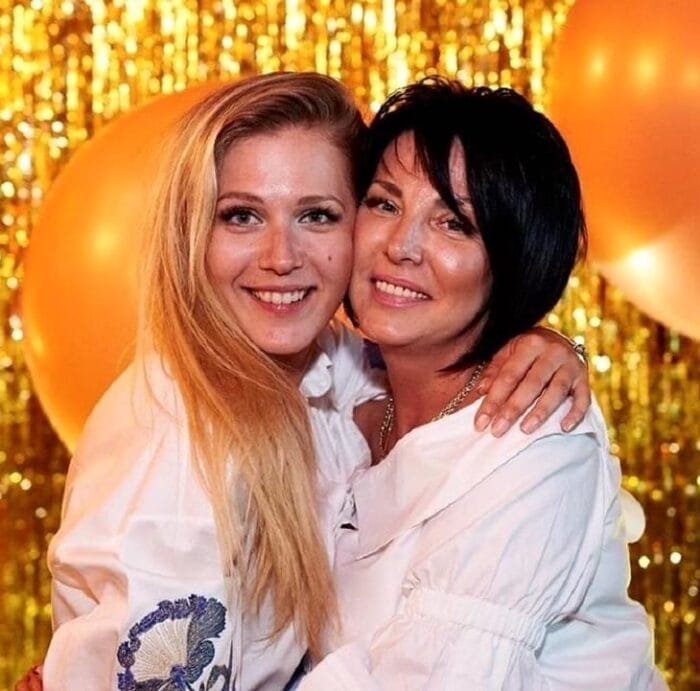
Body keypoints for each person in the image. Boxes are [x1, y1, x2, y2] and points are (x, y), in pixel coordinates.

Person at [31, 73, 590, 691]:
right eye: (241, 216)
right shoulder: (180, 449)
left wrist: (545, 342)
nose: (280, 257)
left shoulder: (333, 370)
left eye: (317, 215)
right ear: (190, 233)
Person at [299, 80, 666, 689]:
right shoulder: (338, 387)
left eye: (454, 224)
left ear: (513, 263)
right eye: (384, 204)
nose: (401, 247)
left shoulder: (530, 442)